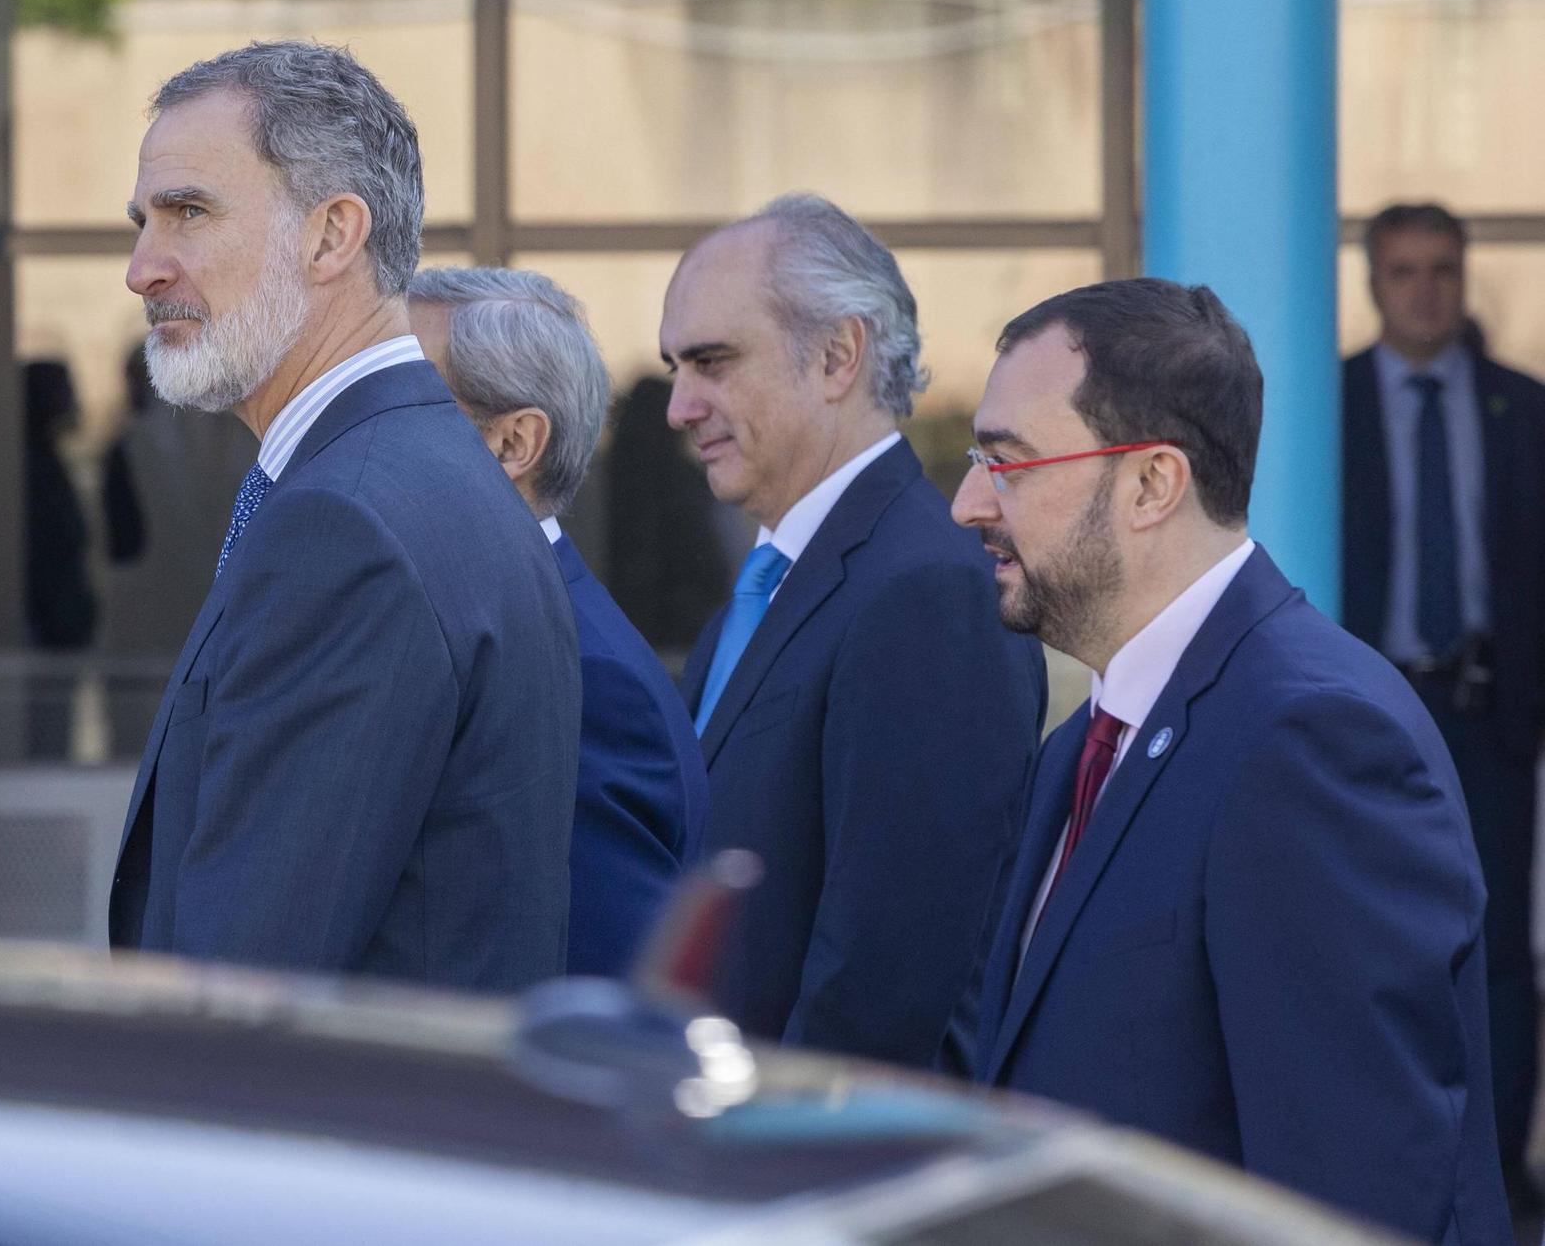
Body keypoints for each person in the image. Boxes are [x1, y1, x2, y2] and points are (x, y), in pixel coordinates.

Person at [955, 277, 1509, 1243]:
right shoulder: (1077, 750)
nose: (967, 503)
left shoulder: (1313, 741)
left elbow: (1353, 1197)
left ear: (1152, 484)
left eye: (1008, 463)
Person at [107, 42, 581, 990]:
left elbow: (249, 986)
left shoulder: (348, 525)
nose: (142, 268)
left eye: (189, 213)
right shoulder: (416, 473)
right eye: (142, 222)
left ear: (332, 237)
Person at [659, 193, 1045, 1066]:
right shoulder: (760, 596)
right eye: (675, 367)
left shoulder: (928, 591)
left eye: (713, 362)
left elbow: (887, 979)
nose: (680, 407)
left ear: (838, 355)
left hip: (805, 1158)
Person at [407, 265, 710, 977]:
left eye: (401, 405)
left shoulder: (587, 679)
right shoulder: (480, 627)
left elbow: (595, 1008)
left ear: (513, 444)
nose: (359, 433)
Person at [1343, 202, 1545, 1200]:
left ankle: (1498, 1172)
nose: (1424, 289)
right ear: (1371, 284)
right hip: (1364, 714)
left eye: (1440, 270)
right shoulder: (1327, 402)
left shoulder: (1522, 405)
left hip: (1485, 715)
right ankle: (1384, 1168)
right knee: (1362, 935)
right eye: (1403, 272)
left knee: (1498, 947)